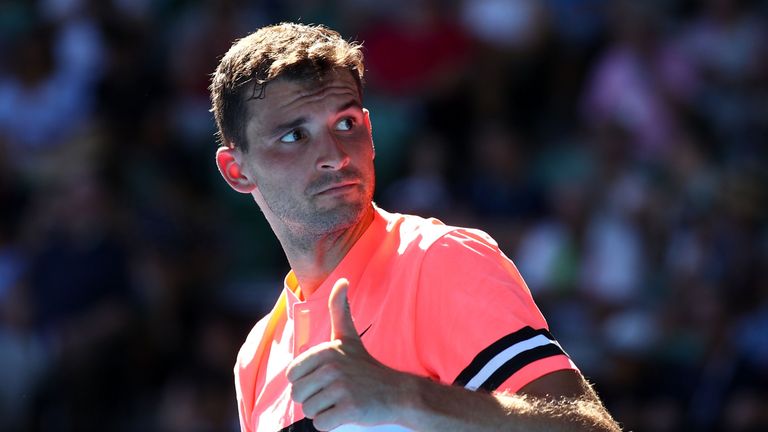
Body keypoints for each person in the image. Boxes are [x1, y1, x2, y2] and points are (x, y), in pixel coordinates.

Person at [210, 23, 621, 432]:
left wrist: (401, 397)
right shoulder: (256, 357)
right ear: (236, 170)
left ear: (370, 133)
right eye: (295, 135)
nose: (334, 156)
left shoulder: (440, 261)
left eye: (346, 124)